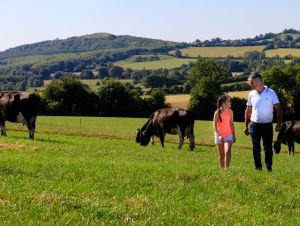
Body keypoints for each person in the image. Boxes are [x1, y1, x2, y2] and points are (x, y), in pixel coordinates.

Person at [244, 72, 282, 172]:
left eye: (252, 83)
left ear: (260, 81)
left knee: (268, 148)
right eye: (250, 83)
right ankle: (258, 168)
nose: (251, 85)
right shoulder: (251, 94)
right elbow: (248, 110)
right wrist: (245, 125)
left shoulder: (271, 92)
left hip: (267, 126)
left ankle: (269, 167)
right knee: (256, 147)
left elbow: (278, 108)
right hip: (254, 126)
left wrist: (279, 123)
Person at [213, 95, 236, 169]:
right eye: (228, 101)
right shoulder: (217, 112)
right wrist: (218, 135)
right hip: (219, 136)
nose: (230, 102)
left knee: (228, 151)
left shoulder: (230, 111)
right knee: (221, 155)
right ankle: (223, 170)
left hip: (228, 135)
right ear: (223, 103)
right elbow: (214, 125)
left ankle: (226, 170)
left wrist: (234, 135)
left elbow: (231, 124)